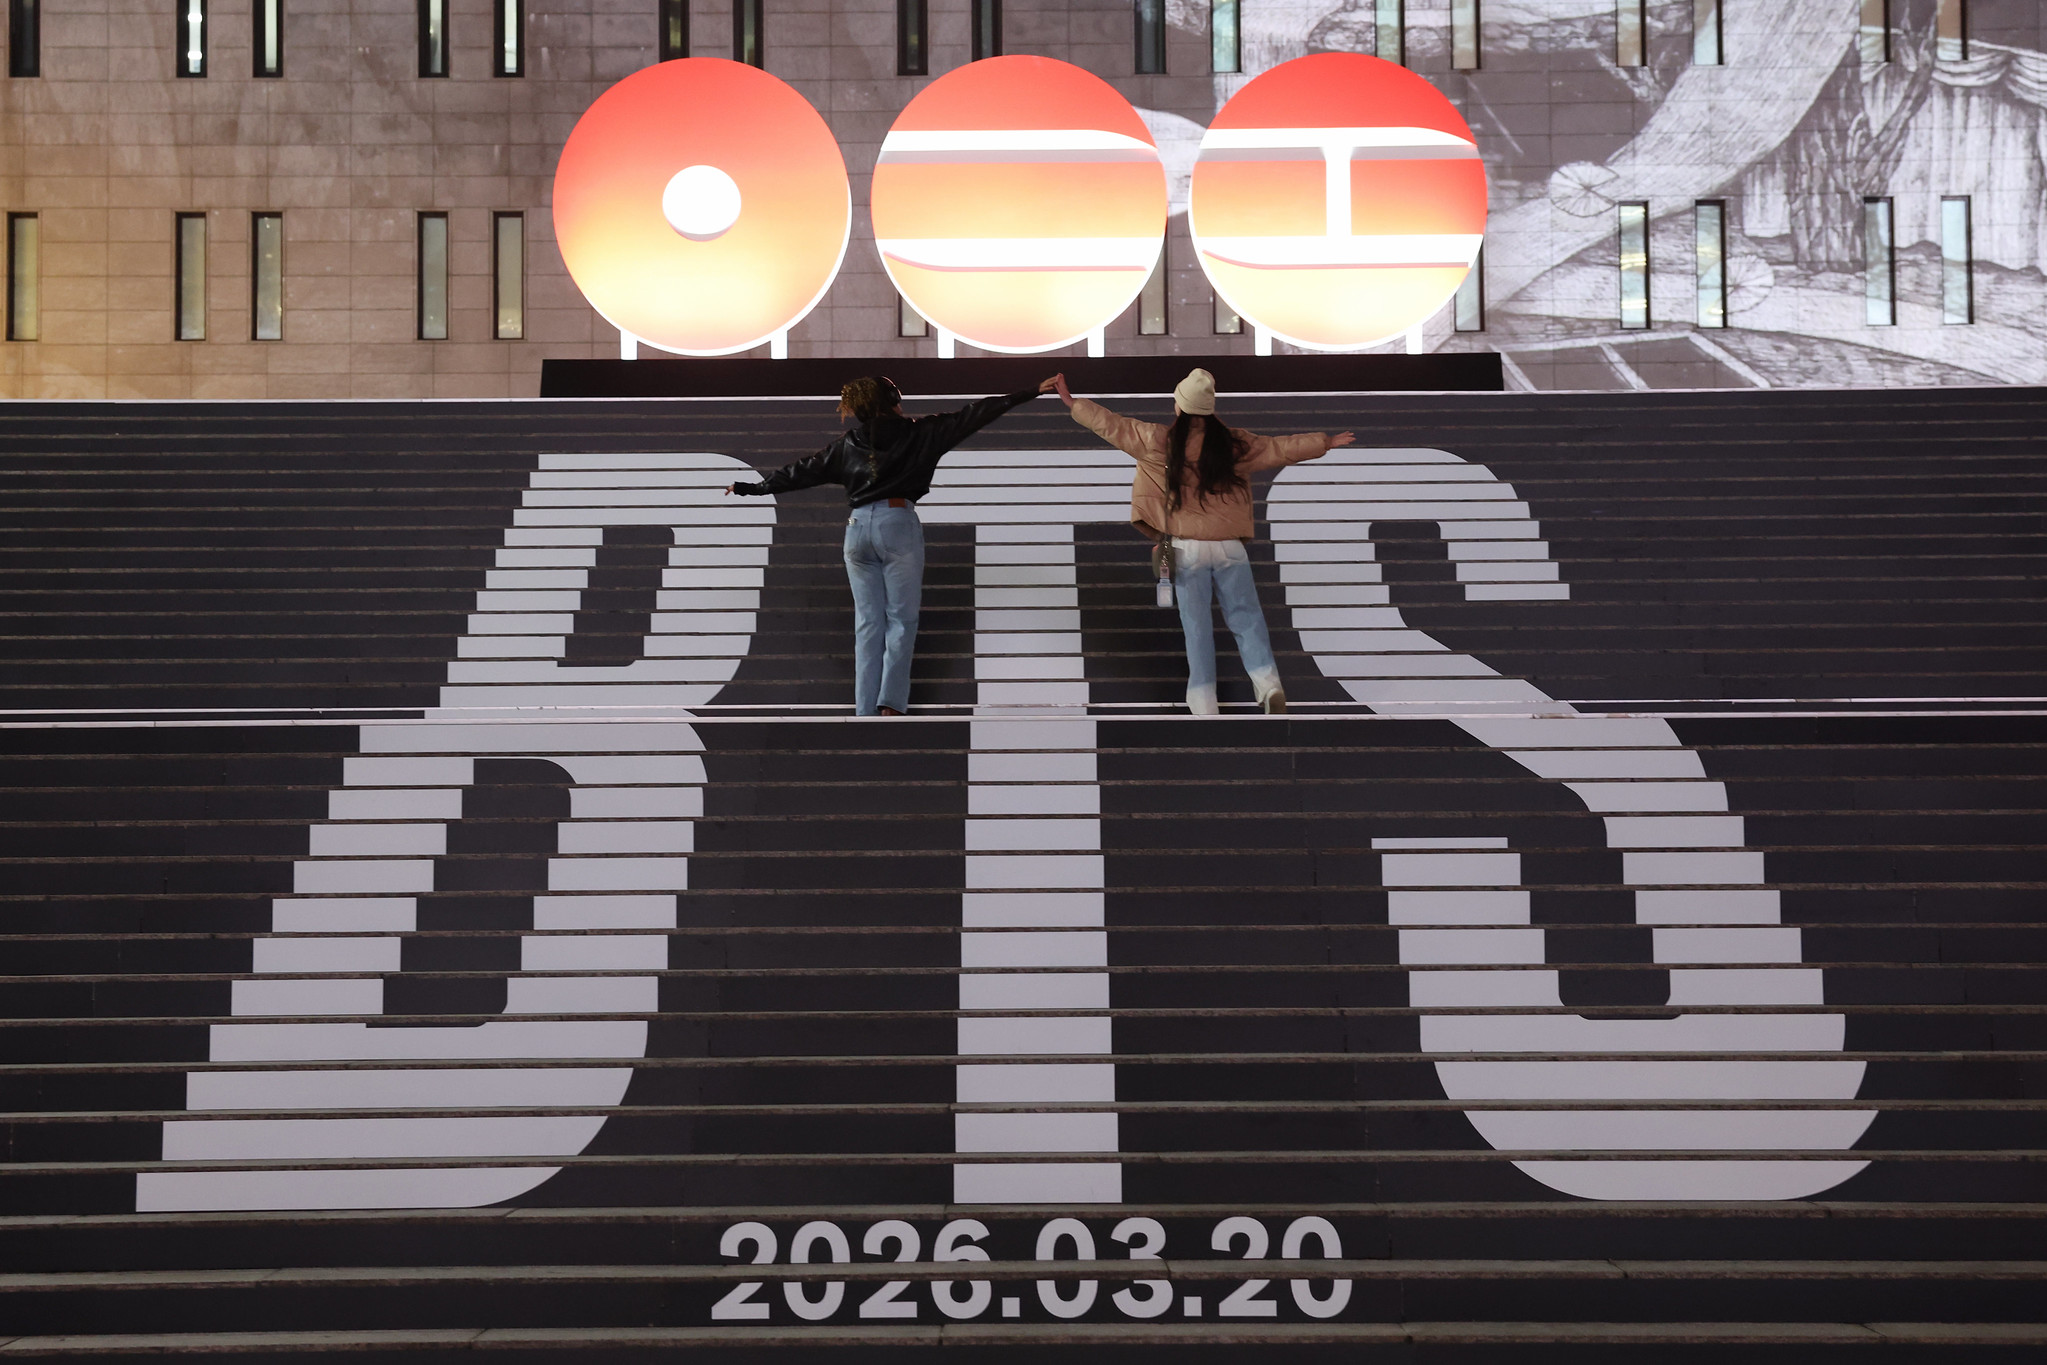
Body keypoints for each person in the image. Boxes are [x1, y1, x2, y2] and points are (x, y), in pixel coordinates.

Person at [727, 376, 1056, 716]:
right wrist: (1028, 392)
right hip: (897, 522)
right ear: (893, 400)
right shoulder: (920, 433)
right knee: (901, 619)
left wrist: (753, 488)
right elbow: (975, 414)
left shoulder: (847, 444)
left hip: (856, 529)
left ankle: (864, 708)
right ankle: (891, 704)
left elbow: (802, 471)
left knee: (868, 623)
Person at [1050, 367, 1354, 716]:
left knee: (1196, 627)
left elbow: (1112, 425)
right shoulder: (1236, 446)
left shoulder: (1156, 441)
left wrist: (1072, 402)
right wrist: (1325, 442)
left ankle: (1204, 699)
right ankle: (1268, 684)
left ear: (1179, 405)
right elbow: (1280, 448)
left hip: (1187, 548)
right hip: (1230, 548)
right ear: (1210, 409)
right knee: (1247, 619)